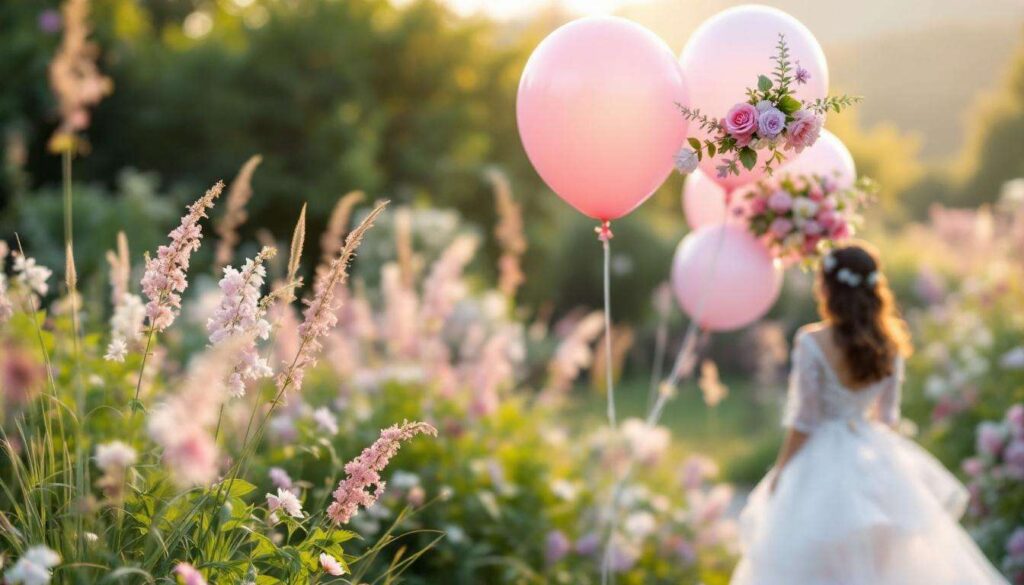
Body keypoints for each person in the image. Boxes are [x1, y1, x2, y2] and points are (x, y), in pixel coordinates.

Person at [730, 242, 1007, 585]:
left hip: (821, 457)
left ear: (828, 288)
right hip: (874, 452)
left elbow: (804, 420)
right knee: (882, 564)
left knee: (815, 559)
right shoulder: (890, 343)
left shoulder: (812, 342)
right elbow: (888, 418)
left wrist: (780, 474)